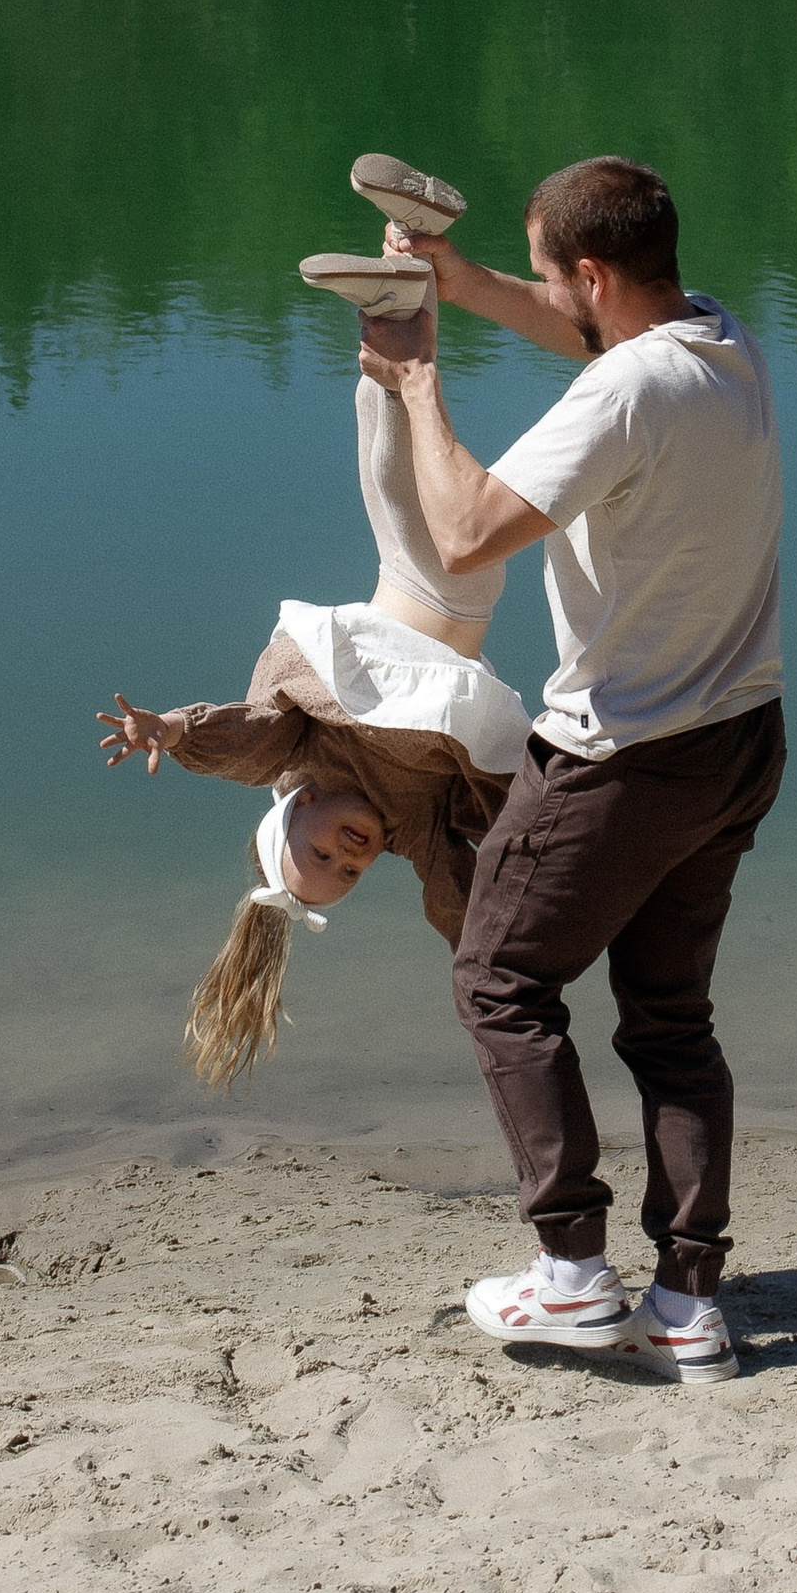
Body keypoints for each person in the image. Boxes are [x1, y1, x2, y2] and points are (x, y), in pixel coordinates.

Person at [360, 153, 784, 1386]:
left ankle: (573, 1275)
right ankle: (687, 1302)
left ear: (594, 272)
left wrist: (417, 383)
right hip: (738, 738)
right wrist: (466, 277)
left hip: (621, 758)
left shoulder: (621, 399)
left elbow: (463, 534)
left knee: (498, 980)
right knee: (669, 1019)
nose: (551, 297)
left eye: (551, 275)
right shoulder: (718, 340)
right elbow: (587, 334)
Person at [98, 259, 532, 1084]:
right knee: (391, 470)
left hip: (407, 603)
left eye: (322, 852)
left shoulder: (299, 754)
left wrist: (172, 732)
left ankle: (398, 301)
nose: (350, 854)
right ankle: (397, 306)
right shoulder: (411, 825)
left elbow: (246, 739)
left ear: (295, 811)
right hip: (446, 599)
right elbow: (455, 896)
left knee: (391, 475)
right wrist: (484, 968)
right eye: (351, 870)